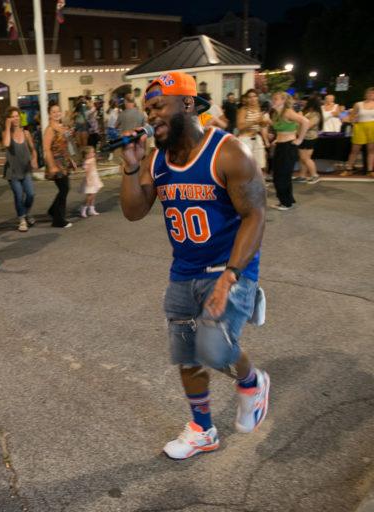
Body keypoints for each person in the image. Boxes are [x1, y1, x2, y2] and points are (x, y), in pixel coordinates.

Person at [120, 71, 269, 460]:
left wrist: (230, 276)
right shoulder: (157, 159)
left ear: (187, 104)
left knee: (215, 350)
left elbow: (255, 215)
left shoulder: (229, 152)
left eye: (159, 106)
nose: (151, 116)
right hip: (183, 270)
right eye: (148, 108)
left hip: (228, 267)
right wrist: (132, 167)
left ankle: (252, 383)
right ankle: (203, 429)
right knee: (186, 355)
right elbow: (134, 212)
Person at [269, 91, 309, 210]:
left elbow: (305, 122)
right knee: (281, 175)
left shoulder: (288, 112)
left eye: (276, 99)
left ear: (283, 101)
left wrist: (300, 139)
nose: (273, 101)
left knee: (281, 176)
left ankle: (285, 203)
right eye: (273, 98)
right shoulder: (277, 113)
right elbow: (281, 129)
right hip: (281, 145)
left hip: (288, 146)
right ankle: (287, 200)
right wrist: (277, 139)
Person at [2, 107, 38, 232]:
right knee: (18, 195)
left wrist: (34, 159)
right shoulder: (6, 133)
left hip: (26, 169)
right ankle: (22, 219)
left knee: (30, 194)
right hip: (12, 171)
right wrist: (7, 127)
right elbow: (6, 144)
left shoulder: (26, 133)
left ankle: (26, 212)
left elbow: (33, 149)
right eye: (12, 116)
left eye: (17, 116)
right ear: (8, 119)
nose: (15, 118)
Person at [43, 102, 75, 228]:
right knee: (64, 188)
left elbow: (65, 145)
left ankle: (53, 210)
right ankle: (58, 219)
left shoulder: (62, 127)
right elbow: (47, 149)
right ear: (49, 114)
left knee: (64, 188)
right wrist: (52, 166)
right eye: (53, 112)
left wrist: (70, 160)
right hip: (55, 162)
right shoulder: (49, 130)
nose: (56, 114)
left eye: (58, 111)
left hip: (64, 162)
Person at [237, 89, 270, 177]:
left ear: (257, 98)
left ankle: (258, 185)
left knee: (260, 165)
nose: (252, 99)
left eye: (254, 96)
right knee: (245, 165)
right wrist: (254, 122)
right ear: (247, 99)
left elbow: (262, 126)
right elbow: (240, 126)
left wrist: (264, 122)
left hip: (256, 138)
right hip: (245, 139)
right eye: (250, 97)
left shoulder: (259, 109)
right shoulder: (243, 110)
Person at [342, 87, 374, 177]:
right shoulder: (358, 104)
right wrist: (351, 121)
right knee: (354, 150)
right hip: (359, 127)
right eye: (369, 93)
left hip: (372, 128)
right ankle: (349, 169)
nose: (371, 95)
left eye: (373, 93)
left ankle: (370, 171)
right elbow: (351, 117)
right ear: (366, 94)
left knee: (371, 151)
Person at [298, 95, 322, 184]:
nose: (304, 103)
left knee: (306, 158)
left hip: (310, 138)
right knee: (302, 158)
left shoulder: (315, 114)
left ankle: (315, 175)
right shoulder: (308, 112)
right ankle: (302, 176)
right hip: (302, 137)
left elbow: (308, 125)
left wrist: (300, 117)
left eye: (306, 101)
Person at [78, 146, 103, 217]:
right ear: (86, 155)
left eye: (93, 152)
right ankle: (83, 208)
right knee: (89, 196)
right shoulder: (87, 162)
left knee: (93, 195)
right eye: (92, 152)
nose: (94, 153)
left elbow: (96, 158)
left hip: (95, 179)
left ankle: (91, 209)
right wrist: (89, 181)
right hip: (90, 180)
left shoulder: (93, 159)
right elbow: (87, 172)